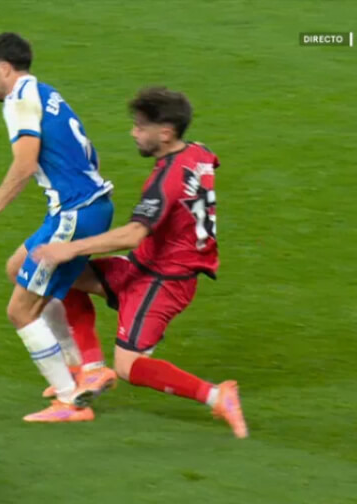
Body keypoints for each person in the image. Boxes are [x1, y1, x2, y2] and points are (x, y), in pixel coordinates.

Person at [32, 87, 249, 438]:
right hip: (145, 266)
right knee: (62, 276)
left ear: (165, 133)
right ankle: (90, 368)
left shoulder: (165, 182)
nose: (133, 132)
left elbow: (134, 234)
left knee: (129, 366)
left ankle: (216, 395)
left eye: (140, 126)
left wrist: (71, 248)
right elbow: (207, 165)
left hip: (165, 281)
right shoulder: (199, 152)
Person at [0, 32, 117, 423]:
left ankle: (68, 401)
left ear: (4, 68)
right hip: (91, 205)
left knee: (20, 310)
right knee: (19, 267)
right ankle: (80, 367)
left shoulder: (19, 100)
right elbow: (90, 153)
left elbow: (25, 164)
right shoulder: (47, 93)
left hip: (74, 213)